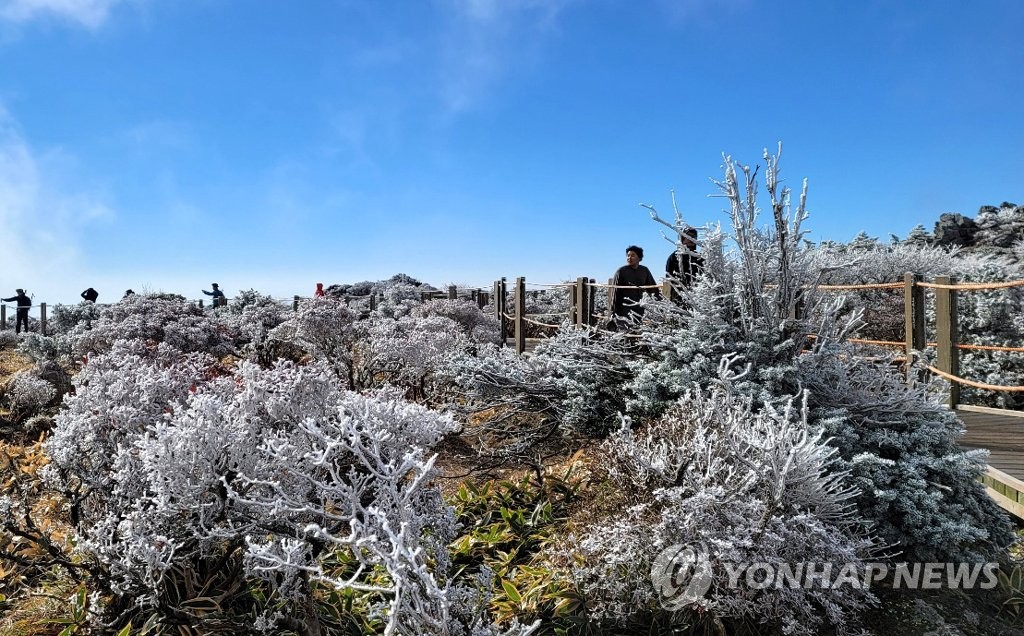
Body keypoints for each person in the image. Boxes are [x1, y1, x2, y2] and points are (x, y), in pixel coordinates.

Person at [611, 245, 658, 329]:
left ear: (639, 258)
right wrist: (613, 312)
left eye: (632, 255)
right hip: (623, 309)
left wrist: (659, 304)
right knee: (624, 333)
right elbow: (615, 293)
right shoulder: (621, 271)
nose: (629, 258)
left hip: (639, 309)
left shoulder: (644, 270)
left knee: (636, 333)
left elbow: (653, 288)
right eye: (628, 256)